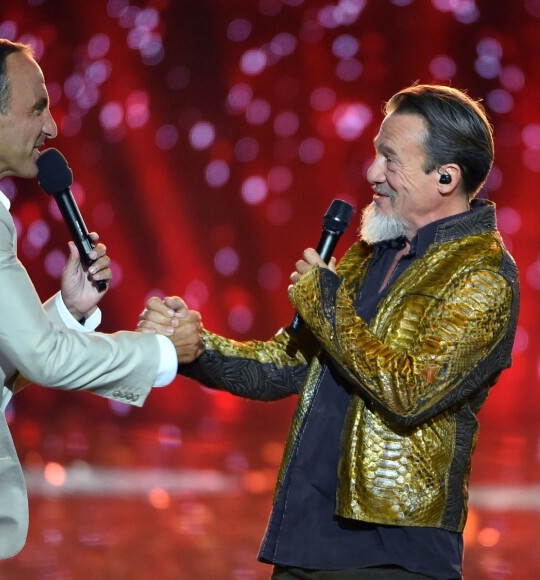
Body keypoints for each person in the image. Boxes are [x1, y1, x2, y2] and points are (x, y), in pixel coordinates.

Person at [140, 84, 520, 579]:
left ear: (445, 177)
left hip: (393, 554)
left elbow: (410, 391)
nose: (371, 173)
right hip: (306, 538)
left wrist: (325, 305)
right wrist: (192, 347)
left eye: (389, 159)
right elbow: (286, 366)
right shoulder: (371, 252)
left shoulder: (484, 275)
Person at [0, 35, 203, 578]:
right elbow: (44, 358)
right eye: (38, 108)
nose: (52, 128)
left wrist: (66, 309)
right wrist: (163, 351)